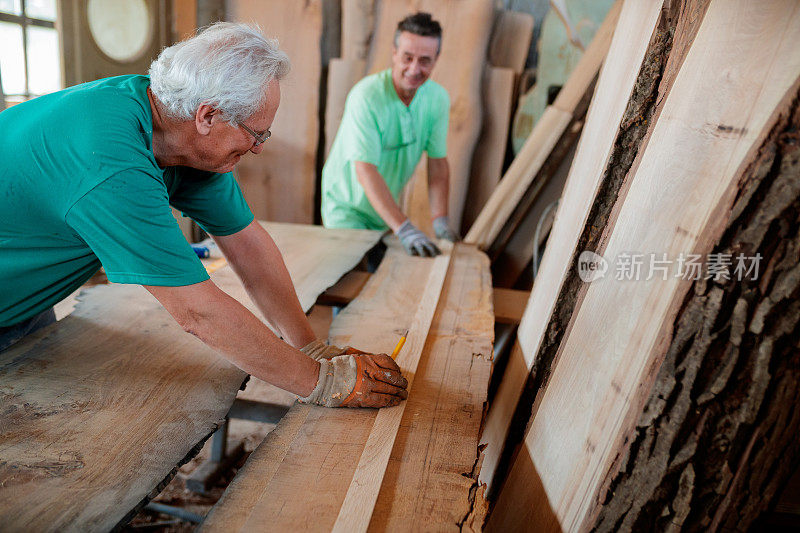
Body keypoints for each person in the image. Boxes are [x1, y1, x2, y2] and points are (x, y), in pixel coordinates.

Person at [0, 22, 407, 409]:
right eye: (256, 133)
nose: (259, 147)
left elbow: (247, 242)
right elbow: (197, 311)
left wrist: (309, 347)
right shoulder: (112, 161)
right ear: (208, 115)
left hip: (25, 291)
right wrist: (322, 382)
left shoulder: (183, 137)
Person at [321, 12, 459, 258]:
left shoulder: (437, 99)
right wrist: (404, 228)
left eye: (425, 60)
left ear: (436, 59)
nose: (414, 69)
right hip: (346, 209)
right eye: (407, 58)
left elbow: (438, 165)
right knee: (350, 277)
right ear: (394, 53)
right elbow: (365, 170)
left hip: (382, 214)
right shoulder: (367, 97)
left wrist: (440, 221)